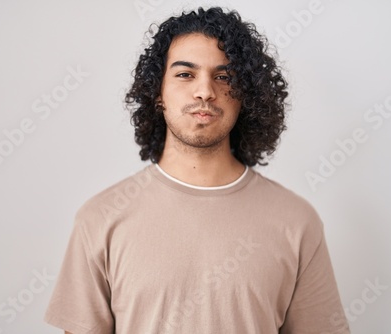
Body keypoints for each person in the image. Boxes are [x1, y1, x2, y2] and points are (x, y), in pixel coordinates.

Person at [44, 7, 350, 334]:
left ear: (245, 95)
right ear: (157, 93)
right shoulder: (100, 219)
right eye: (185, 74)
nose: (205, 91)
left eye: (223, 77)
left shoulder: (298, 222)